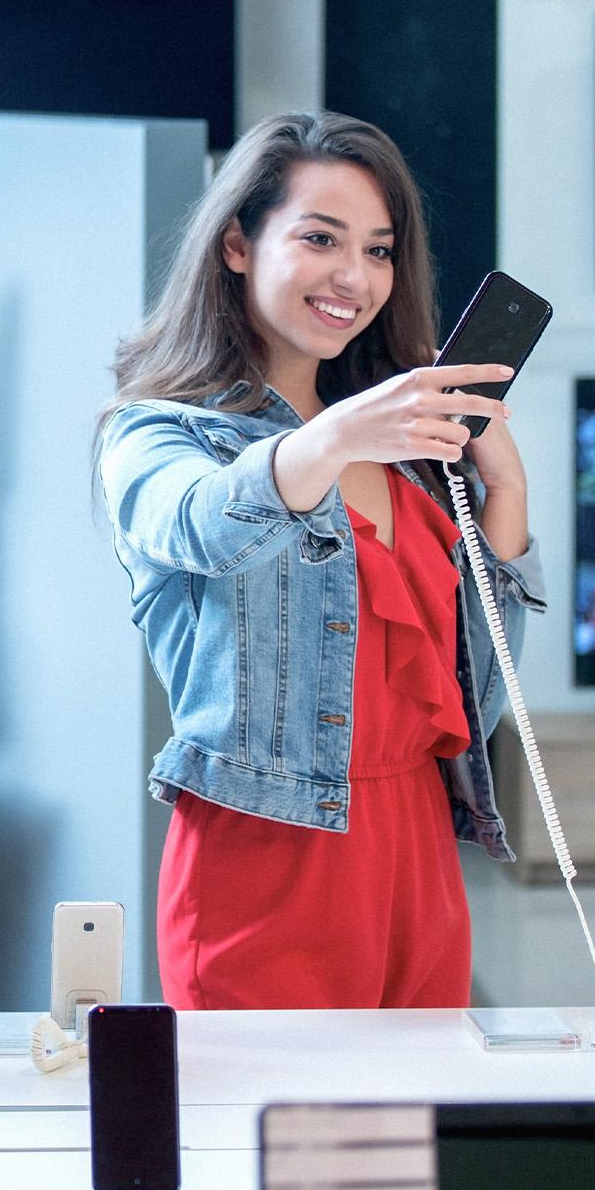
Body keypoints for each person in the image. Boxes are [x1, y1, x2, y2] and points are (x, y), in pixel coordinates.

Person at [97, 112, 540, 1009]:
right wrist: (334, 437)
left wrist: (506, 492)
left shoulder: (408, 457)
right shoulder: (160, 434)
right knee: (270, 1104)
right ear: (237, 244)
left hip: (417, 849)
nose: (354, 277)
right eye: (320, 239)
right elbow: (196, 524)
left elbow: (479, 700)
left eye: (379, 251)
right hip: (267, 853)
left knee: (418, 1104)